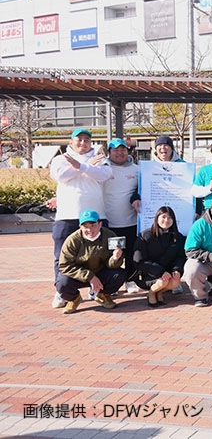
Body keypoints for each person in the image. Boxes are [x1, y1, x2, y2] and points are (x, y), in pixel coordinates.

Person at [50, 129, 112, 309]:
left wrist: (82, 166)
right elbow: (61, 176)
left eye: (87, 140)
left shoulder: (100, 158)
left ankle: (97, 289)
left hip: (97, 215)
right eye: (79, 139)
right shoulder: (60, 159)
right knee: (61, 255)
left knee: (100, 256)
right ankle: (62, 291)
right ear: (71, 142)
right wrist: (83, 166)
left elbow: (104, 175)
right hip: (67, 216)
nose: (83, 143)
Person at [55, 209, 126, 314]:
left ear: (100, 224)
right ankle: (74, 299)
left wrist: (115, 259)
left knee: (119, 275)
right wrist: (90, 277)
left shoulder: (110, 236)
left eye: (93, 225)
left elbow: (111, 265)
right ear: (80, 227)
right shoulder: (72, 240)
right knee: (62, 283)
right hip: (79, 274)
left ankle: (103, 294)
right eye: (85, 226)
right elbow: (65, 265)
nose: (90, 230)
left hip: (101, 272)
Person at [102, 138, 140, 294]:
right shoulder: (103, 168)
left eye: (123, 149)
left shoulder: (137, 169)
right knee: (111, 255)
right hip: (109, 221)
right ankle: (111, 284)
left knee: (132, 253)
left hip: (131, 220)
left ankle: (131, 280)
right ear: (109, 152)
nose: (120, 153)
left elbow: (143, 189)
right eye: (115, 150)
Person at [132, 206, 186, 307]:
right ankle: (152, 292)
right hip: (149, 274)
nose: (166, 220)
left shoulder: (178, 237)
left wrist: (177, 270)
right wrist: (160, 272)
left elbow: (180, 257)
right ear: (157, 218)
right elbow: (138, 261)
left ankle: (159, 292)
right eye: (163, 217)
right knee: (162, 282)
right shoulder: (145, 236)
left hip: (168, 273)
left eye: (169, 218)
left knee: (175, 282)